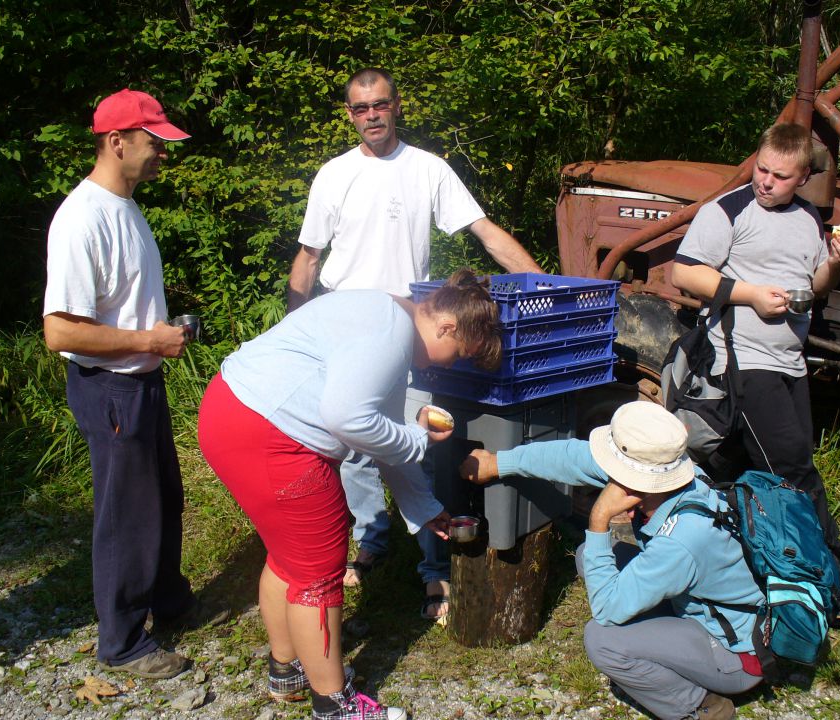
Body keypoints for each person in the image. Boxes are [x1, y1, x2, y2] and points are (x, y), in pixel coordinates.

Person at [287, 67, 543, 621]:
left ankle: (433, 570)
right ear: (349, 114)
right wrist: (292, 327)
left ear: (397, 106)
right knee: (348, 446)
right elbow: (308, 258)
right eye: (360, 108)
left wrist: (543, 281)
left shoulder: (428, 169)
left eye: (380, 104)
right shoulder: (333, 176)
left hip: (411, 331)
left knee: (417, 445)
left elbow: (483, 230)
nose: (371, 115)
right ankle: (371, 541)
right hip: (344, 325)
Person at [197, 269, 502, 719]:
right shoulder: (390, 332)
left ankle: (288, 670)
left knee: (289, 557)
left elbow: (382, 435)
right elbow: (348, 420)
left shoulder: (389, 318)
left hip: (232, 412)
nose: (449, 365)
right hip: (272, 435)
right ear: (446, 326)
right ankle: (336, 706)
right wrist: (419, 440)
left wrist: (424, 509)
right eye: (458, 354)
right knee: (318, 569)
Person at [670, 122, 840, 609]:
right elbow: (683, 271)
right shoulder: (727, 210)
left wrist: (837, 260)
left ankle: (758, 560)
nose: (766, 181)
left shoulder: (808, 217)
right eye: (761, 169)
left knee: (769, 466)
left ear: (803, 177)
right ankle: (832, 569)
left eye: (780, 176)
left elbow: (817, 285)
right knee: (793, 469)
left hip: (790, 361)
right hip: (742, 359)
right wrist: (751, 296)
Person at [459, 402, 765, 720]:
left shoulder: (683, 539)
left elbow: (606, 611)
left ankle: (700, 705)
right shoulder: (678, 477)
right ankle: (661, 645)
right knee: (591, 557)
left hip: (737, 654)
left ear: (636, 479)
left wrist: (600, 517)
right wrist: (498, 463)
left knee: (604, 640)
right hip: (700, 608)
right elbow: (573, 458)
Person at [42, 89, 197, 678]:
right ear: (117, 142)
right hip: (111, 388)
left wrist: (152, 340)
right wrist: (148, 341)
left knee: (161, 497)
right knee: (126, 512)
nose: (162, 153)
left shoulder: (125, 206)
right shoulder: (82, 219)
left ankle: (168, 599)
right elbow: (59, 332)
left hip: (140, 383)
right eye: (154, 141)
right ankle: (123, 640)